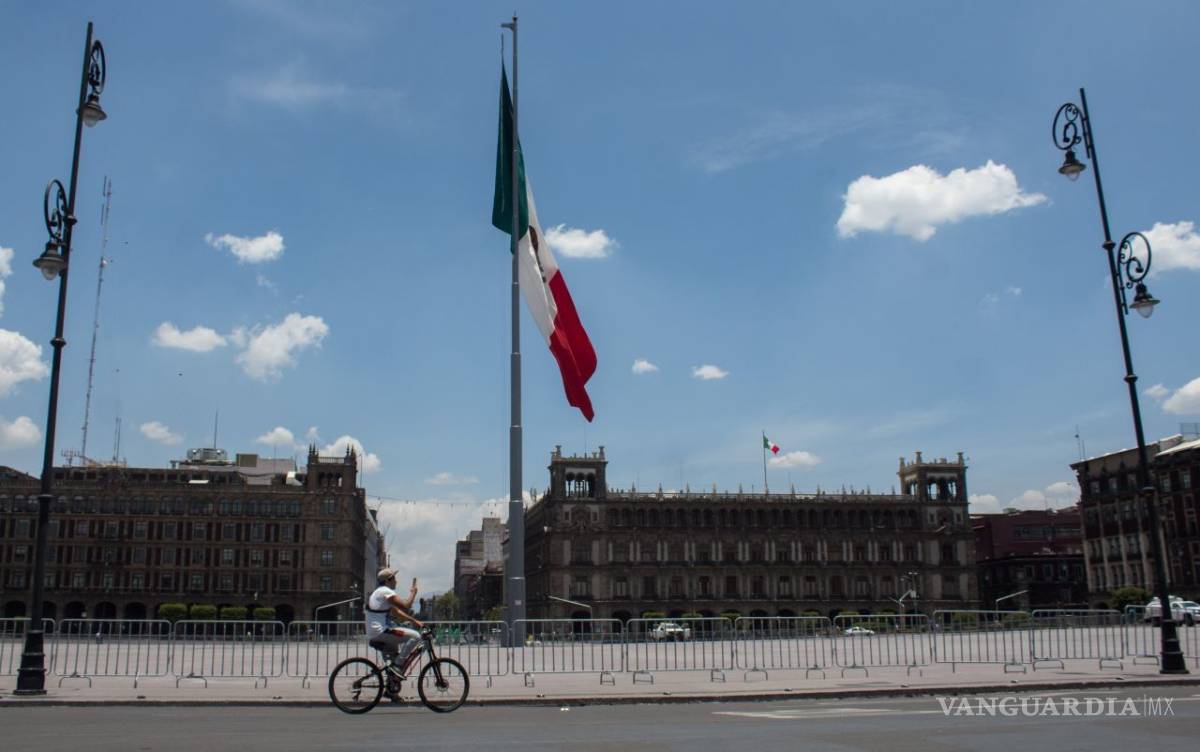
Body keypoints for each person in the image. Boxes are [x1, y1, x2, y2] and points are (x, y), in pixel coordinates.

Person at [365, 567, 424, 700]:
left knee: (392, 660)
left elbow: (396, 612)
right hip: (381, 631)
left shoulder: (378, 593)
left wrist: (414, 621)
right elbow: (406, 605)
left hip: (376, 631)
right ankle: (397, 666)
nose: (396, 581)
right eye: (394, 579)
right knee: (416, 636)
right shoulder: (386, 592)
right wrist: (413, 593)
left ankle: (391, 691)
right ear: (388, 580)